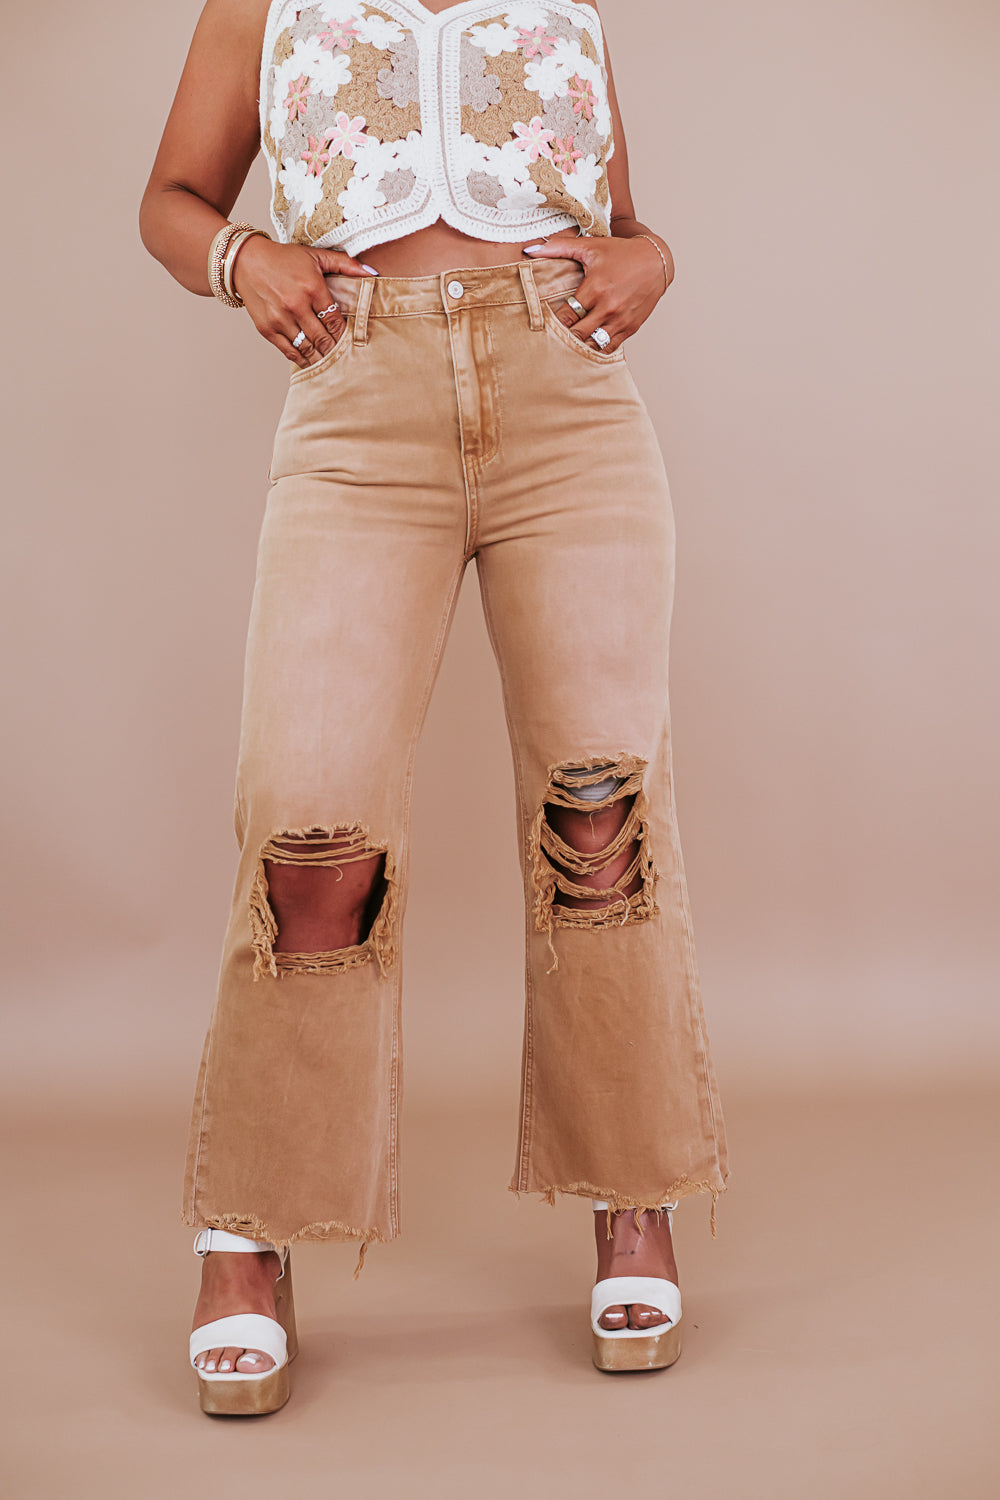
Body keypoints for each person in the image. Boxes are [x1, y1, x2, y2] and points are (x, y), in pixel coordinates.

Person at [141, 0, 729, 1415]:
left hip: (570, 409)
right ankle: (251, 1224)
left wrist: (653, 256)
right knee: (309, 830)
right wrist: (242, 259)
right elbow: (171, 199)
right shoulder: (261, 3)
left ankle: (632, 1194)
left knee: (602, 815)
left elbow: (618, 222)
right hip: (357, 409)